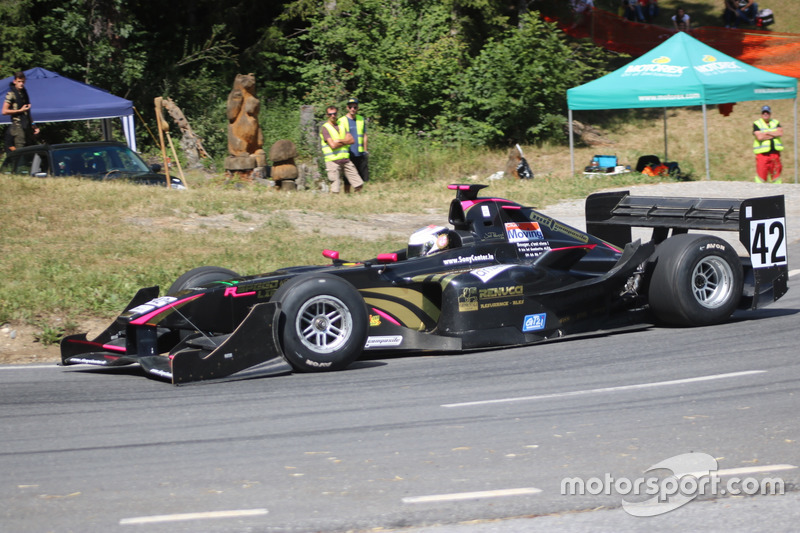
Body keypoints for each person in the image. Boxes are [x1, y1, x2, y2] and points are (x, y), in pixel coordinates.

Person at [319, 105, 363, 193]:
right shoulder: (325, 128)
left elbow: (352, 140)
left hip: (345, 159)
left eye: (334, 113)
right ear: (327, 115)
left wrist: (339, 140)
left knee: (359, 184)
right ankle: (336, 204)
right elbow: (333, 145)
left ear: (337, 113)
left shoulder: (341, 125)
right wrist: (345, 141)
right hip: (333, 161)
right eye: (330, 114)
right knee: (335, 190)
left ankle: (357, 202)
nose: (333, 116)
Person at [2, 71, 40, 151]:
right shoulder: (11, 94)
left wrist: (34, 125)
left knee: (30, 149)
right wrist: (20, 110)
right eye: (19, 81)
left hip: (26, 124)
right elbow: (4, 111)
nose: (21, 84)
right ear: (14, 81)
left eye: (23, 81)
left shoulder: (24, 94)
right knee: (21, 150)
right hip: (17, 125)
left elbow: (27, 113)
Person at [338, 97, 369, 184]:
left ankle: (362, 195)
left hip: (360, 152)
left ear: (357, 108)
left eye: (355, 107)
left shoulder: (361, 119)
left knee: (363, 177)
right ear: (347, 108)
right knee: (347, 178)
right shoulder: (341, 120)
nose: (353, 109)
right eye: (350, 107)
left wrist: (365, 150)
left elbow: (364, 135)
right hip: (348, 153)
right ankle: (347, 195)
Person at [753, 105, 783, 184]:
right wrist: (773, 134)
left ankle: (777, 192)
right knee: (761, 178)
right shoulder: (757, 123)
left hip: (775, 155)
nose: (765, 114)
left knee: (776, 178)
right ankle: (759, 193)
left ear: (770, 114)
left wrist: (767, 132)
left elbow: (780, 133)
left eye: (767, 112)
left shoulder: (775, 122)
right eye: (764, 112)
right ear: (761, 114)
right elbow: (759, 137)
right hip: (762, 156)